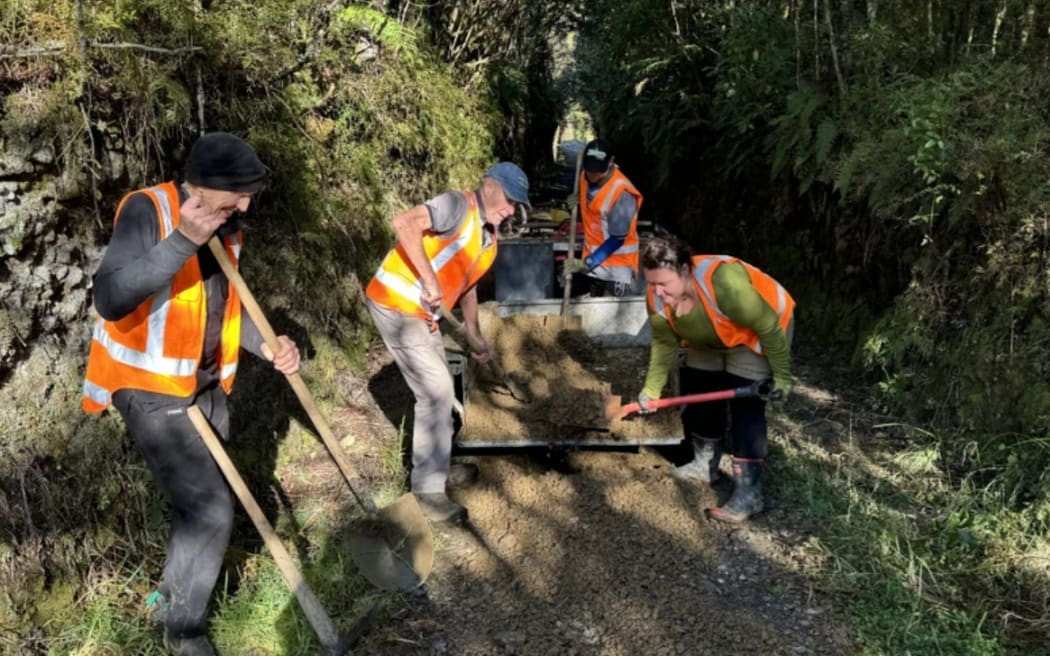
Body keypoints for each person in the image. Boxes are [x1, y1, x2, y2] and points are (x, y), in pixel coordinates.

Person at [81, 132, 301, 656]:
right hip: (149, 388)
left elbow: (227, 305)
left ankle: (167, 597)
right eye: (239, 194)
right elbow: (110, 297)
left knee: (191, 505)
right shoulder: (148, 209)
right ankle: (183, 633)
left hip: (200, 385)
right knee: (210, 508)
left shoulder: (226, 228)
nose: (246, 205)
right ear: (204, 186)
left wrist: (268, 345)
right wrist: (182, 240)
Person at [365, 162, 531, 524]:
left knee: (441, 384)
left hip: (423, 313)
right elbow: (404, 223)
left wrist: (474, 336)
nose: (510, 209)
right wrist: (429, 279)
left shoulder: (489, 239)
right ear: (489, 185)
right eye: (508, 199)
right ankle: (426, 492)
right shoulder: (457, 206)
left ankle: (438, 467)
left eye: (516, 205)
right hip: (396, 301)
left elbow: (468, 287)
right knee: (437, 391)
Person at [638, 236, 795, 522]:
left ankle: (750, 492)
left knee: (745, 403)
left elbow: (768, 326)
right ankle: (704, 464)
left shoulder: (722, 283)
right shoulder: (657, 297)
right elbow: (664, 343)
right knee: (699, 384)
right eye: (652, 284)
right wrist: (651, 390)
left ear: (685, 270)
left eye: (664, 284)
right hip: (711, 334)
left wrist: (782, 377)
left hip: (755, 334)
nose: (658, 292)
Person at [563, 138, 643, 297]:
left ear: (611, 162)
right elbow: (594, 213)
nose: (592, 175)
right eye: (590, 169)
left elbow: (617, 238)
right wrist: (576, 203)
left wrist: (588, 263)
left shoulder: (622, 193)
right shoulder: (584, 175)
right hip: (595, 269)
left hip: (617, 271)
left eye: (598, 170)